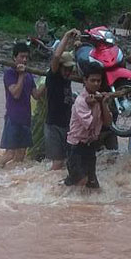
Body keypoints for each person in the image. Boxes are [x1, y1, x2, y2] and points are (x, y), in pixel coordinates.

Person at [64, 65, 112, 189]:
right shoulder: (81, 101)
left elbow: (108, 123)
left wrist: (104, 104)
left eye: (99, 81)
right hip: (76, 146)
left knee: (93, 185)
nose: (96, 83)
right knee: (81, 180)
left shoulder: (98, 97)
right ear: (85, 81)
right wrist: (93, 105)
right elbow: (90, 125)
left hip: (90, 145)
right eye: (93, 80)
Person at [0, 42, 43, 168]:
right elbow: (16, 93)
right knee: (10, 154)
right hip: (13, 118)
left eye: (26, 57)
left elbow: (36, 95)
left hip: (26, 119)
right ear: (14, 58)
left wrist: (47, 81)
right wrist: (21, 75)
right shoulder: (9, 74)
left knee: (21, 156)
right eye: (22, 57)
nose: (24, 60)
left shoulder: (29, 75)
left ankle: (12, 180)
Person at [45, 28, 79, 170]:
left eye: (70, 69)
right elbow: (57, 57)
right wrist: (66, 36)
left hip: (66, 125)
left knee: (67, 162)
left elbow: (74, 57)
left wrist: (77, 44)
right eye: (65, 69)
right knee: (58, 163)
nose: (68, 71)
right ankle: (47, 189)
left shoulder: (67, 77)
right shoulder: (53, 76)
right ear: (58, 68)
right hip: (53, 126)